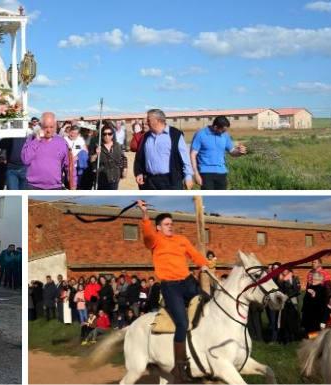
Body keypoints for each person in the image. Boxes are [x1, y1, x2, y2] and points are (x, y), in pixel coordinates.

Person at [137, 199, 212, 383]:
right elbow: (147, 235)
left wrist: (206, 265)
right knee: (181, 322)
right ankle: (179, 368)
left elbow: (195, 255)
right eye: (167, 224)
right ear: (159, 228)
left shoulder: (181, 240)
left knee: (209, 304)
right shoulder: (155, 241)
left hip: (187, 282)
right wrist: (145, 215)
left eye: (172, 224)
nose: (171, 226)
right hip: (170, 287)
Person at [134, 109, 194, 190]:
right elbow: (139, 157)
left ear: (158, 120)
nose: (146, 122)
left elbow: (185, 158)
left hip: (171, 181)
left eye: (148, 120)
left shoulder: (175, 135)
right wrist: (139, 173)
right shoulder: (145, 137)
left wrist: (188, 176)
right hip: (150, 181)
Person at [190, 116, 247, 190]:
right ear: (215, 127)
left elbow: (232, 151)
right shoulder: (200, 134)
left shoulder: (225, 135)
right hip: (206, 172)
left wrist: (240, 152)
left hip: (222, 172)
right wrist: (196, 174)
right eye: (222, 130)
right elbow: (193, 154)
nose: (224, 132)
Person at [21, 112, 74, 190]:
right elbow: (25, 160)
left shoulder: (62, 142)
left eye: (51, 127)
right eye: (46, 127)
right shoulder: (31, 139)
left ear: (56, 126)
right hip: (33, 187)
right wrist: (37, 140)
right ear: (40, 126)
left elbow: (69, 166)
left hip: (55, 187)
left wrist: (73, 186)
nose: (48, 130)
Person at [89, 123, 126, 190]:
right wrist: (96, 154)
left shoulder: (118, 146)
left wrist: (124, 169)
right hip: (101, 178)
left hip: (115, 177)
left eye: (109, 134)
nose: (107, 136)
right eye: (104, 134)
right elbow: (91, 160)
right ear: (102, 135)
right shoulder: (97, 146)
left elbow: (123, 158)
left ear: (112, 135)